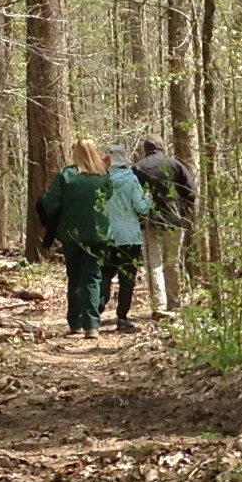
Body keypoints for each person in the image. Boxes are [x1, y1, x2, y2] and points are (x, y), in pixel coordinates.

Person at [34, 137, 142, 339]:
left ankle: (75, 323)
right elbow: (108, 194)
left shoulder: (66, 175)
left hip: (72, 234)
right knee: (92, 276)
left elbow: (50, 202)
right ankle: (92, 325)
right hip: (97, 233)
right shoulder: (102, 177)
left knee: (74, 276)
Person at [131, 136, 196, 318]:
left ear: (145, 149)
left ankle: (159, 305)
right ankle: (174, 303)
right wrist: (183, 212)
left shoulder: (138, 168)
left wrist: (138, 215)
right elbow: (191, 191)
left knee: (154, 263)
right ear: (162, 147)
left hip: (149, 223)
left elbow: (131, 196)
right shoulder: (175, 165)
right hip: (173, 221)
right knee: (172, 262)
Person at [100, 146, 150, 332]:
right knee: (127, 277)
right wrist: (148, 199)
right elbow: (141, 207)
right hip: (130, 236)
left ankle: (98, 305)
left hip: (107, 234)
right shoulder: (131, 179)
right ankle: (122, 317)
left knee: (105, 273)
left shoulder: (101, 180)